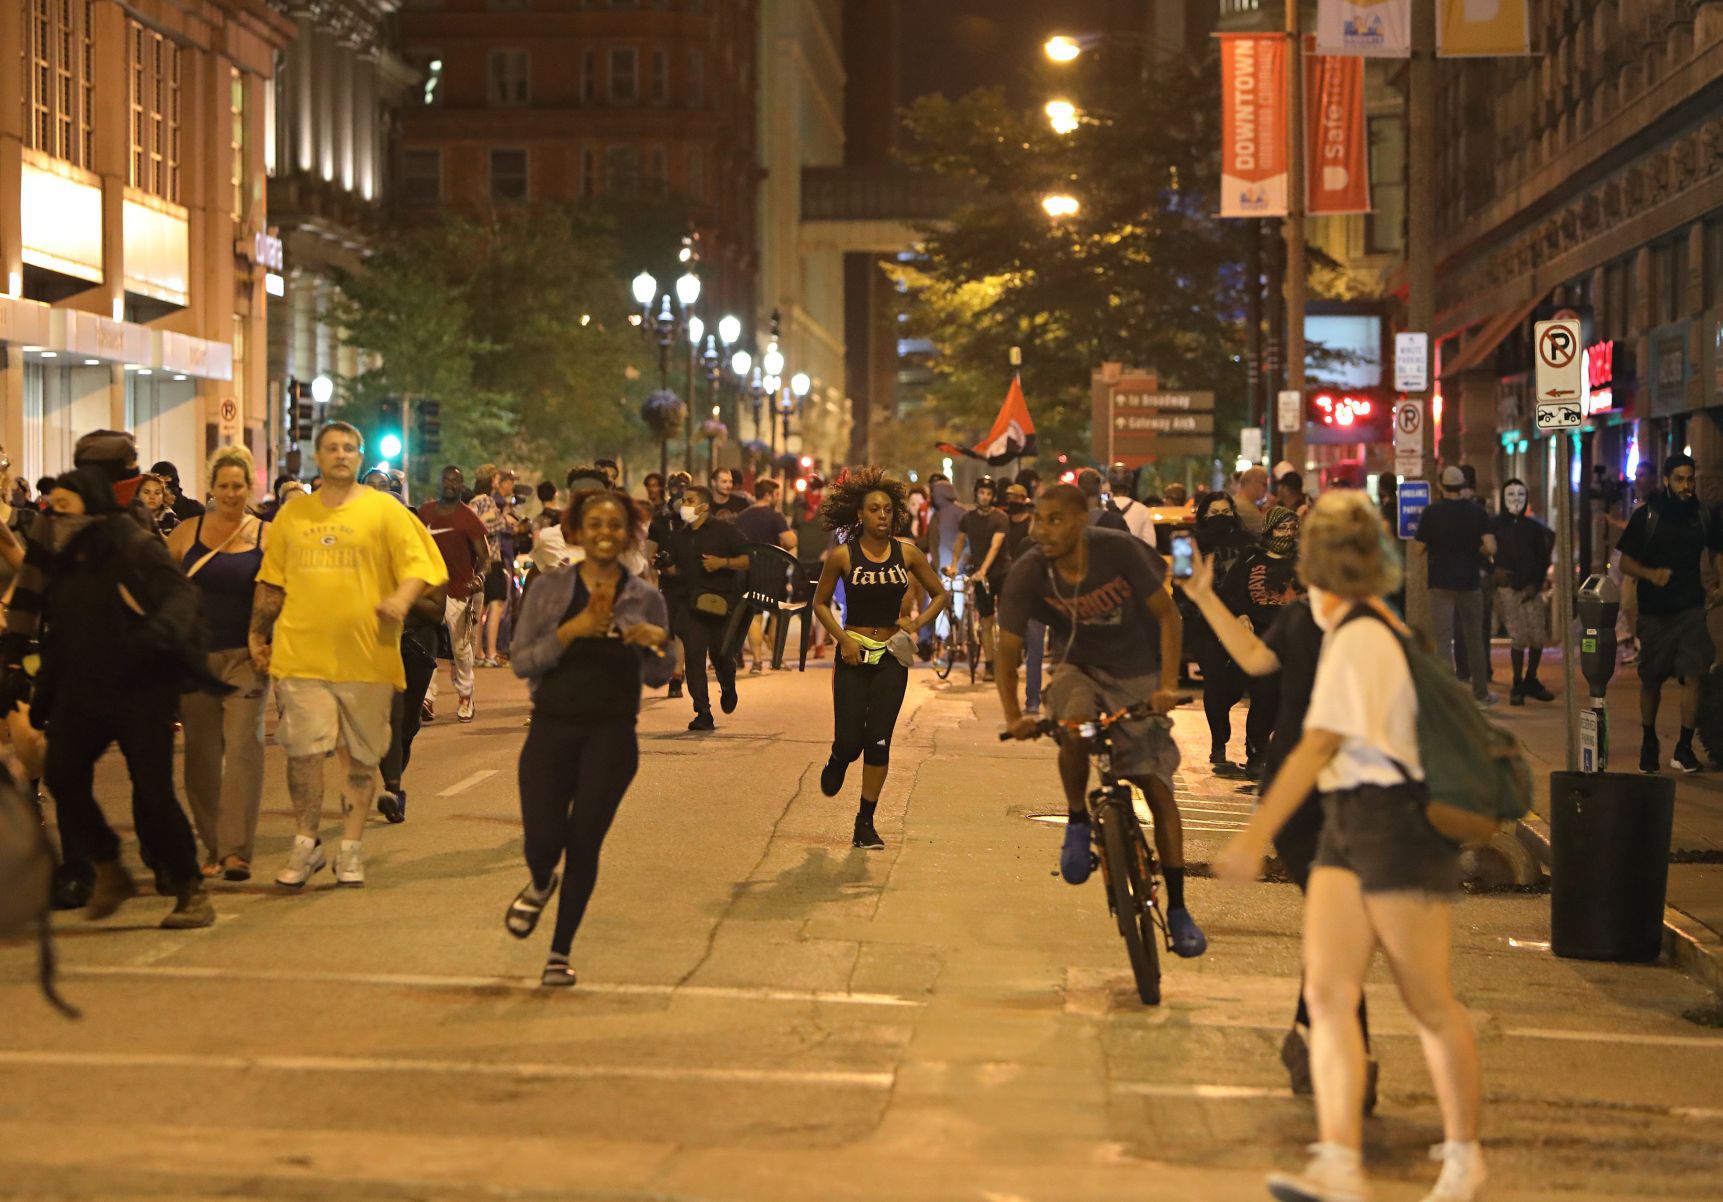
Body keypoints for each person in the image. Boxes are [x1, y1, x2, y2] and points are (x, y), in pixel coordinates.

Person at [1217, 490, 1484, 1202]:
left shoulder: (1364, 635)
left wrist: (1253, 835)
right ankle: (1338, 1164)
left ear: (1315, 566)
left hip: (1394, 827)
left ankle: (1461, 1160)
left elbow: (1318, 743)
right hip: (1346, 822)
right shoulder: (1351, 628)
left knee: (1427, 1002)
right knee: (1329, 994)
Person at [1181, 544, 1378, 1110]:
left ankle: (1310, 1039)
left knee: (1340, 931)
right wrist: (1205, 599)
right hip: (1301, 804)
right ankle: (1348, 1062)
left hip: (1354, 798)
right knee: (1339, 926)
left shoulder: (1376, 633)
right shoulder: (1304, 619)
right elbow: (1253, 658)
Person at [995, 483, 1207, 957]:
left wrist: (1166, 686)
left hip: (1137, 668)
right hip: (1078, 666)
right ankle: (1076, 820)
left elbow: (1170, 617)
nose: (1043, 530)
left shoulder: (1120, 551)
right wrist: (1016, 716)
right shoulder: (1029, 570)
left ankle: (1177, 908)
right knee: (1071, 725)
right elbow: (1007, 649)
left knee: (1154, 783)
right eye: (1037, 519)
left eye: (1055, 520)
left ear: (1080, 520)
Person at [5, 466, 220, 928]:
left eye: (65, 506)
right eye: (52, 507)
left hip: (141, 689)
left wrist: (154, 638)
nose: (54, 514)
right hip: (83, 688)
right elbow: (38, 610)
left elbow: (180, 599)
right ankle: (107, 865)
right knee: (62, 774)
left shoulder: (132, 543)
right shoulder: (60, 556)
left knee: (154, 790)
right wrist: (15, 665)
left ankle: (189, 889)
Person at [249, 422, 447, 889]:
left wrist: (401, 598)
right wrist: (257, 634)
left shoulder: (386, 511)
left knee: (359, 759)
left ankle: (352, 849)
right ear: (317, 456)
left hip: (367, 656)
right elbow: (271, 582)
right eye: (331, 448)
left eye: (348, 449)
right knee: (303, 754)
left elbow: (426, 568)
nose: (340, 455)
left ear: (359, 457)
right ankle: (306, 842)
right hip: (302, 655)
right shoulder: (292, 518)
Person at [504, 489, 672, 985]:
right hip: (552, 728)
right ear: (577, 530)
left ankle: (559, 952)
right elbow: (520, 661)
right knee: (542, 841)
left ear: (629, 534)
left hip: (613, 735)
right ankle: (539, 883)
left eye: (615, 525)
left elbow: (660, 676)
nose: (605, 533)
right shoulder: (549, 590)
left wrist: (660, 643)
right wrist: (571, 630)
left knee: (584, 844)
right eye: (594, 523)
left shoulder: (646, 597)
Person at [813, 469, 949, 849]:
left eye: (887, 509)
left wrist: (915, 624)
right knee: (851, 739)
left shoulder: (908, 553)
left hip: (891, 656)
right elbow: (820, 603)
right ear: (860, 514)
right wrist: (842, 639)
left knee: (878, 742)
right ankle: (839, 758)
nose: (882, 516)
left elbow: (940, 594)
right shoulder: (842, 555)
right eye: (874, 509)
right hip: (853, 654)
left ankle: (865, 822)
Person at [166, 446, 269, 881]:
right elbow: (160, 587)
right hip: (196, 659)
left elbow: (281, 588)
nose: (230, 493)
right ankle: (212, 845)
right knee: (202, 757)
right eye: (223, 485)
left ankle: (236, 852)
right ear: (211, 487)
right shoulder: (186, 533)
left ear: (249, 488)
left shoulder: (267, 535)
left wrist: (266, 638)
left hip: (246, 658)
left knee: (244, 748)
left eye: (238, 485)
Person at [1617, 453, 1723, 774]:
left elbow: (1716, 552)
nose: (1686, 485)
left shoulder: (1702, 515)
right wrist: (1651, 575)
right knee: (1651, 681)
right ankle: (1650, 740)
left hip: (1691, 608)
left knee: (1695, 675)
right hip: (1655, 613)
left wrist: (1720, 583)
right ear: (1666, 480)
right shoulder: (1647, 516)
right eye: (1679, 479)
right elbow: (1624, 563)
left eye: (1689, 479)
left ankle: (1683, 747)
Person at [1220, 505, 1304, 777]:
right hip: (1261, 638)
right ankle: (1256, 752)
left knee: (1290, 697)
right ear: (1270, 528)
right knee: (1264, 697)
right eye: (1282, 528)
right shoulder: (1250, 558)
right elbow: (1230, 592)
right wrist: (1241, 614)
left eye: (1292, 528)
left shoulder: (1302, 561)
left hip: (1294, 641)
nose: (1287, 534)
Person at [664, 485, 749, 730]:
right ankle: (703, 711)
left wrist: (723, 563)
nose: (684, 505)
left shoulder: (726, 532)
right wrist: (666, 566)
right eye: (683, 500)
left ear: (704, 506)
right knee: (694, 659)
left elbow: (748, 560)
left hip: (723, 605)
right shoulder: (679, 535)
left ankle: (728, 685)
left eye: (690, 500)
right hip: (691, 606)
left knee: (722, 656)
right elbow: (677, 571)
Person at [1416, 465, 1498, 706]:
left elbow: (1419, 548)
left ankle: (1446, 695)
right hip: (1470, 582)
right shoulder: (1477, 513)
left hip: (1440, 582)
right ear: (1463, 487)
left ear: (1440, 487)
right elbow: (1491, 548)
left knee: (1443, 640)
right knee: (1474, 639)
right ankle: (1481, 692)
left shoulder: (1431, 513)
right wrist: (1478, 550)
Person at [1188, 491, 1257, 774]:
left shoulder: (1247, 543)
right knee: (1215, 678)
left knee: (1239, 681)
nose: (1220, 518)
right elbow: (1181, 585)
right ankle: (1219, 742)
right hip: (1204, 622)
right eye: (1213, 513)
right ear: (1203, 515)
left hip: (1241, 620)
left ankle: (1225, 714)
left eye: (1225, 512)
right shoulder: (1186, 543)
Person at [417, 465, 490, 724]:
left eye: (455, 481)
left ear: (462, 486)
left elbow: (485, 558)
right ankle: (426, 698)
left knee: (460, 648)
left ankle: (465, 695)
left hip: (458, 591)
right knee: (425, 646)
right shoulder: (424, 512)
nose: (449, 484)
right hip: (426, 590)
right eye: (445, 479)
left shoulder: (468, 518)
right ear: (439, 482)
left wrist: (479, 577)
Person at [378, 572, 449, 825]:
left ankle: (393, 785)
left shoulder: (426, 559)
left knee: (407, 726)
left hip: (418, 647)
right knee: (387, 719)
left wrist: (401, 593)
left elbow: (436, 611)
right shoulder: (375, 553)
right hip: (380, 644)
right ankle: (393, 790)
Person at [1490, 479, 1555, 707]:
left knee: (1537, 637)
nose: (1516, 501)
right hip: (1509, 588)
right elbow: (1481, 550)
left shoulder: (1534, 528)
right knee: (1518, 637)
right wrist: (1494, 571)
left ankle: (1531, 679)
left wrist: (1534, 584)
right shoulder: (1495, 525)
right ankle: (1517, 683)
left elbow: (1543, 557)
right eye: (1511, 496)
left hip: (1531, 587)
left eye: (1520, 496)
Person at [945, 475, 1010, 681]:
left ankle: (1008, 660)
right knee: (986, 621)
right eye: (982, 493)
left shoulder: (1000, 518)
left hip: (1001, 572)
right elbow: (960, 542)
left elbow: (996, 545)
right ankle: (989, 663)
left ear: (993, 496)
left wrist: (984, 569)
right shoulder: (968, 518)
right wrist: (954, 565)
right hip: (978, 574)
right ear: (976, 494)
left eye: (989, 494)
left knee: (1007, 619)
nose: (985, 497)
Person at [737, 479, 796, 673]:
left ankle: (756, 660)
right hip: (773, 573)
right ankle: (776, 658)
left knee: (754, 614)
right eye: (776, 494)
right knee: (777, 612)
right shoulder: (775, 516)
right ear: (769, 495)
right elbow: (790, 541)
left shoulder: (743, 516)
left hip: (749, 571)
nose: (777, 499)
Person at [1000, 482, 1048, 713]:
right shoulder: (1043, 546)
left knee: (1031, 653)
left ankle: (1033, 700)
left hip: (1030, 608)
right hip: (1036, 607)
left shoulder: (1030, 544)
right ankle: (1033, 701)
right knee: (1035, 654)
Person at [471, 464, 517, 667]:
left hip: (479, 560)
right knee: (497, 604)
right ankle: (491, 652)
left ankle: (479, 652)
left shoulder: (473, 501)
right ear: (491, 481)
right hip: (493, 558)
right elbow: (485, 525)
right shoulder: (487, 501)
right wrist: (503, 520)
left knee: (482, 607)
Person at [1107, 465, 1157, 542]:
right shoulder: (1142, 510)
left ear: (1110, 485)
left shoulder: (1102, 508)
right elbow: (1150, 544)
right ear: (1130, 485)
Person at [927, 474, 965, 572]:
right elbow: (930, 540)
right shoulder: (936, 516)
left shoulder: (959, 513)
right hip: (941, 569)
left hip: (956, 569)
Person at [149, 459, 205, 524]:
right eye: (159, 479)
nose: (164, 483)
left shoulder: (195, 508)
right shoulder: (148, 513)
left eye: (167, 478)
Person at [1231, 465, 1269, 534]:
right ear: (1254, 482)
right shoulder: (1244, 506)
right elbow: (1268, 531)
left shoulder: (1239, 501)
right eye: (1264, 484)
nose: (1266, 489)